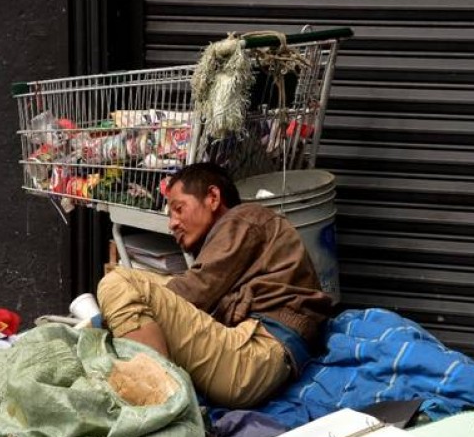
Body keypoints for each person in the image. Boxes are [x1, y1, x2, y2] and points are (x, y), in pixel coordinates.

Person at [96, 162, 333, 409]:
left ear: (213, 197)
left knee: (119, 282)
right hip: (260, 354)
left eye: (179, 209)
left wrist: (109, 318)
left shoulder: (244, 218)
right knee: (138, 288)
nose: (172, 224)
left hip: (258, 354)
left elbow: (195, 291)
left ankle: (167, 411)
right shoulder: (238, 234)